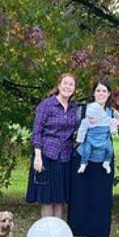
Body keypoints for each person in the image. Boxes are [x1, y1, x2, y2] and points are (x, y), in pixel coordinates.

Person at [68, 80, 119, 237]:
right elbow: (72, 132)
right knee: (83, 198)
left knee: (102, 200)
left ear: (109, 94)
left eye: (104, 91)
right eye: (98, 90)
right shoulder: (83, 111)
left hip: (103, 161)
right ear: (93, 93)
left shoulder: (113, 112)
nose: (101, 93)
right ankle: (86, 236)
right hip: (84, 160)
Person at [25, 73, 79, 220]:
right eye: (65, 83)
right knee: (47, 199)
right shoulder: (47, 105)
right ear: (59, 85)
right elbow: (36, 131)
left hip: (66, 157)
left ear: (74, 89)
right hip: (47, 156)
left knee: (60, 199)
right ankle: (46, 236)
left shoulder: (74, 108)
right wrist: (37, 156)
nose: (67, 87)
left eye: (71, 84)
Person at [75, 100, 118, 175]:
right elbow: (82, 130)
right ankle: (83, 164)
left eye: (93, 118)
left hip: (104, 141)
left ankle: (106, 162)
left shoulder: (105, 119)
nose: (91, 120)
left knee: (110, 150)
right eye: (89, 118)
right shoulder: (86, 121)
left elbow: (112, 123)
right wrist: (80, 139)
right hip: (90, 140)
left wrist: (113, 130)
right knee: (86, 150)